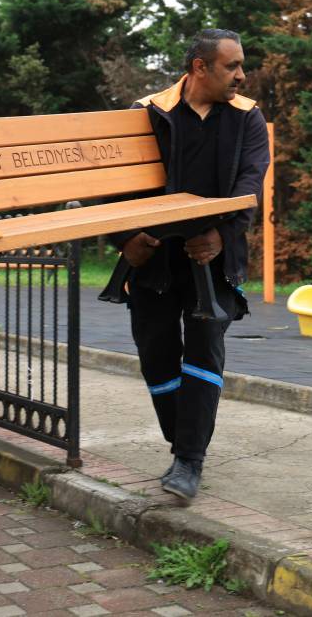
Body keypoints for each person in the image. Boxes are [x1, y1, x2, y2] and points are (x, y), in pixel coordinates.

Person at [119, 28, 270, 503]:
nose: (242, 76)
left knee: (205, 348)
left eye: (241, 65)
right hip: (154, 261)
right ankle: (182, 444)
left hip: (215, 260)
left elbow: (252, 184)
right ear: (199, 68)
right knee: (156, 354)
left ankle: (189, 460)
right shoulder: (147, 113)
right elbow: (116, 187)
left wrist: (221, 235)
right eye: (232, 67)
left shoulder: (248, 119)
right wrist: (126, 241)